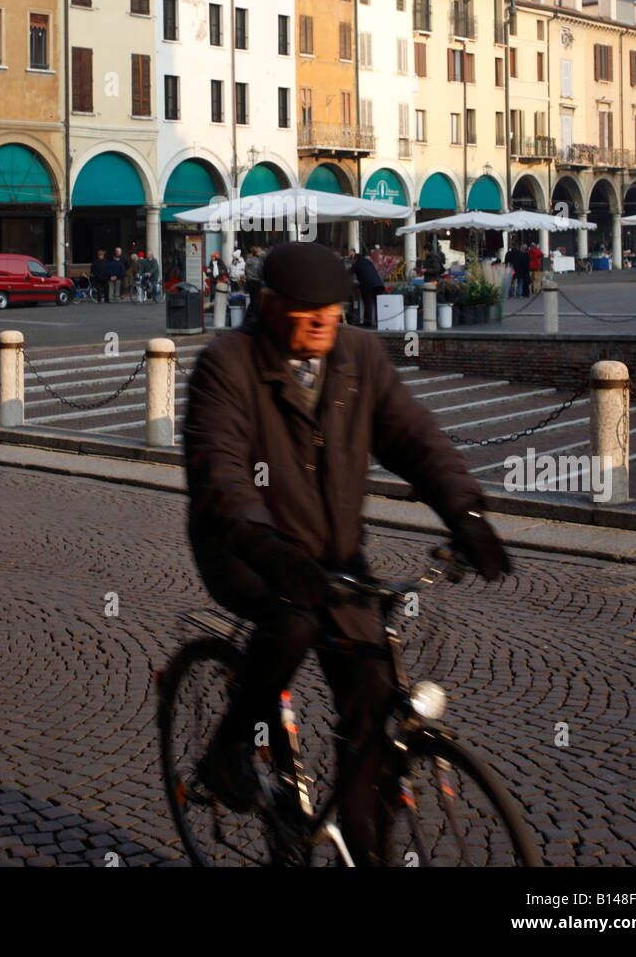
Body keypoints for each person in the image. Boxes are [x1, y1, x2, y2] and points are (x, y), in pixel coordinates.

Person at [183, 242, 509, 866]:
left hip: (334, 556)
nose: (323, 324)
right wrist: (267, 548)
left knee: (371, 694)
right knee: (293, 619)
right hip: (244, 550)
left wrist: (465, 513)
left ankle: (367, 852)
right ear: (270, 306)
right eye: (308, 313)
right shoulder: (228, 365)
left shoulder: (359, 356)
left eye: (332, 310)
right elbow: (220, 474)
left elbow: (414, 437)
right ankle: (228, 750)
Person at [352, 249, 385, 329]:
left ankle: (368, 322)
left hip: (368, 286)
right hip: (379, 285)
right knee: (379, 305)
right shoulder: (369, 262)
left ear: (356, 258)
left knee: (368, 304)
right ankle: (380, 322)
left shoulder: (357, 264)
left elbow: (348, 273)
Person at [244, 246, 264, 318]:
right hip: (256, 282)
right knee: (256, 300)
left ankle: (250, 314)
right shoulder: (259, 261)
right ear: (257, 253)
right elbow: (260, 272)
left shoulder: (248, 261)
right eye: (260, 251)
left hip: (249, 282)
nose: (261, 253)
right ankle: (253, 315)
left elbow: (245, 271)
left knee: (252, 299)